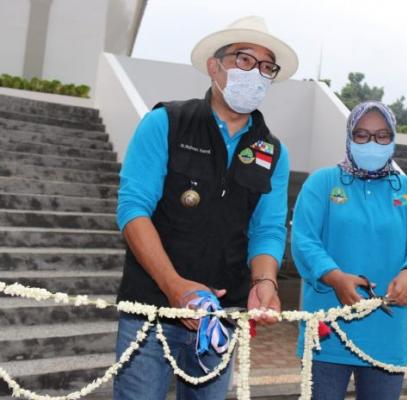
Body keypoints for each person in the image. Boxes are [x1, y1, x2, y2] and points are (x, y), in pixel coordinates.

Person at [112, 16, 298, 400]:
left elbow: (268, 229)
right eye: (244, 60)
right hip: (151, 311)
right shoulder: (166, 122)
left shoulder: (272, 152)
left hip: (221, 318)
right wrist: (174, 287)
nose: (256, 73)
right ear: (215, 66)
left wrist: (265, 282)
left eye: (266, 67)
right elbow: (133, 210)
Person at [291, 101, 407, 400]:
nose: (372, 142)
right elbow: (304, 239)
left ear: (393, 137)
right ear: (349, 137)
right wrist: (334, 276)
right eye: (362, 135)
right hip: (327, 331)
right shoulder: (322, 182)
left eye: (382, 135)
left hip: (387, 330)